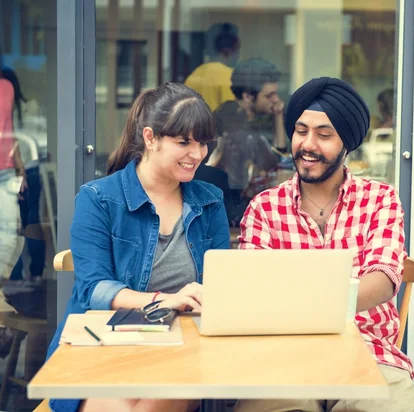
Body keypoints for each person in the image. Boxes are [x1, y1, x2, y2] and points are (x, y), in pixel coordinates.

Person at [235, 77, 414, 412]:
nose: (308, 144)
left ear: (347, 142)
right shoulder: (265, 207)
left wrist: (294, 303)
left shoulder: (380, 199)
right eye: (301, 131)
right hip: (282, 357)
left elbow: (381, 282)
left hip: (368, 352)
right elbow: (254, 293)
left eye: (324, 135)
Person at [46, 83, 230, 412]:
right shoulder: (99, 198)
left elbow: (222, 284)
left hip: (182, 350)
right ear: (150, 138)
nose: (198, 154)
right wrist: (164, 301)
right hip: (106, 344)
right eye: (184, 142)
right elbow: (94, 289)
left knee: (167, 390)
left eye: (202, 142)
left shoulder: (210, 201)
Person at [207, 58, 288, 218]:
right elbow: (275, 166)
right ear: (247, 96)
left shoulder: (254, 119)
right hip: (228, 206)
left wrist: (278, 117)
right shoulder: (230, 120)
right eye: (269, 95)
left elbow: (280, 159)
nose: (276, 100)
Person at [0, 67, 27, 278]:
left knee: (9, 236)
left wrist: (20, 169)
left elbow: (11, 132)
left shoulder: (6, 87)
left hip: (6, 172)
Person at [184, 22, 240, 112]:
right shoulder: (229, 76)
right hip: (219, 125)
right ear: (228, 50)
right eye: (238, 50)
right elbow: (233, 112)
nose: (238, 56)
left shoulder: (195, 74)